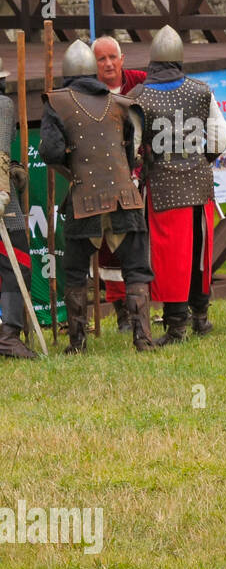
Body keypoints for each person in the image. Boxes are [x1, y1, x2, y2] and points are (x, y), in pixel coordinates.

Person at [39, 40, 155, 352]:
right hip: (125, 197)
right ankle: (142, 337)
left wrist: (71, 168)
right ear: (93, 70)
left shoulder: (56, 102)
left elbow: (49, 152)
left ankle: (77, 343)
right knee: (137, 269)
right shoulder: (120, 104)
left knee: (76, 272)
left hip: (84, 200)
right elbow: (130, 153)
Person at [127, 26, 226, 344]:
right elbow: (220, 137)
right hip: (198, 181)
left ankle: (176, 327)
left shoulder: (140, 96)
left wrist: (139, 167)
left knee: (172, 257)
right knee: (198, 251)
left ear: (153, 61)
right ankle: (200, 318)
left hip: (162, 185)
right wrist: (201, 160)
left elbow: (132, 148)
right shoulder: (201, 90)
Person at [93, 36, 147, 330]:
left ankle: (143, 308)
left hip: (140, 178)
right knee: (109, 247)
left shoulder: (140, 81)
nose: (109, 63)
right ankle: (122, 313)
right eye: (101, 59)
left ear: (122, 58)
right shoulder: (88, 90)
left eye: (112, 57)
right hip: (103, 180)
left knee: (140, 244)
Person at [0, 59, 38, 359]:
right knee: (17, 266)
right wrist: (3, 189)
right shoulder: (2, 105)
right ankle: (9, 335)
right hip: (3, 205)